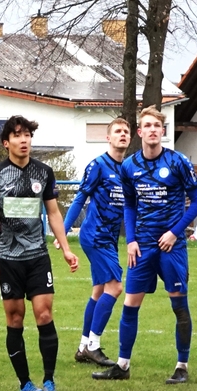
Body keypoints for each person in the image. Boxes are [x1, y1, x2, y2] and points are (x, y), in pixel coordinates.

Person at [92, 106, 197, 385]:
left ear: (162, 131)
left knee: (178, 303)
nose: (153, 130)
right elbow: (130, 205)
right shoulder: (129, 166)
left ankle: (181, 366)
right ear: (140, 132)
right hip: (142, 246)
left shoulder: (178, 162)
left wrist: (174, 233)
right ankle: (122, 365)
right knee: (130, 303)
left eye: (157, 126)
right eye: (148, 126)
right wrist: (130, 240)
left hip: (171, 247)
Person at [0, 116, 79, 391]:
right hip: (8, 258)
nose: (23, 140)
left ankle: (49, 381)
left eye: (27, 135)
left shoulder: (44, 172)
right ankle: (25, 383)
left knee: (44, 314)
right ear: (6, 142)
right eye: (17, 135)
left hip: (38, 256)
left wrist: (66, 248)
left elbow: (54, 213)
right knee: (15, 318)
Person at [65, 118, 131, 367]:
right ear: (108, 138)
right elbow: (80, 198)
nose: (122, 134)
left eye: (126, 131)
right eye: (118, 131)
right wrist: (63, 230)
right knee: (115, 287)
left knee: (99, 291)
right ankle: (93, 345)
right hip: (95, 236)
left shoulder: (127, 169)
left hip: (109, 239)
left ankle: (83, 346)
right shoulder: (98, 165)